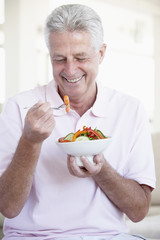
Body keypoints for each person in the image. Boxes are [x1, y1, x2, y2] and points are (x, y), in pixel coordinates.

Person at [0, 4, 156, 240]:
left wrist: (101, 170)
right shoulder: (19, 107)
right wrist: (30, 142)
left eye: (81, 57)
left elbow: (138, 212)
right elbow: (7, 207)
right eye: (59, 59)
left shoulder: (130, 110)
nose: (70, 70)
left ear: (101, 54)